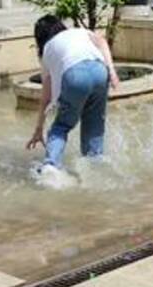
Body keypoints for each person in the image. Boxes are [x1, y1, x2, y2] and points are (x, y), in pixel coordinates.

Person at [25, 15, 119, 171]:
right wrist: (112, 70)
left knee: (61, 125)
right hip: (100, 70)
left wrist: (39, 129)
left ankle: (51, 166)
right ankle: (95, 165)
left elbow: (46, 98)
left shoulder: (48, 49)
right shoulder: (80, 32)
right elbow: (102, 42)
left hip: (75, 76)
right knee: (95, 124)